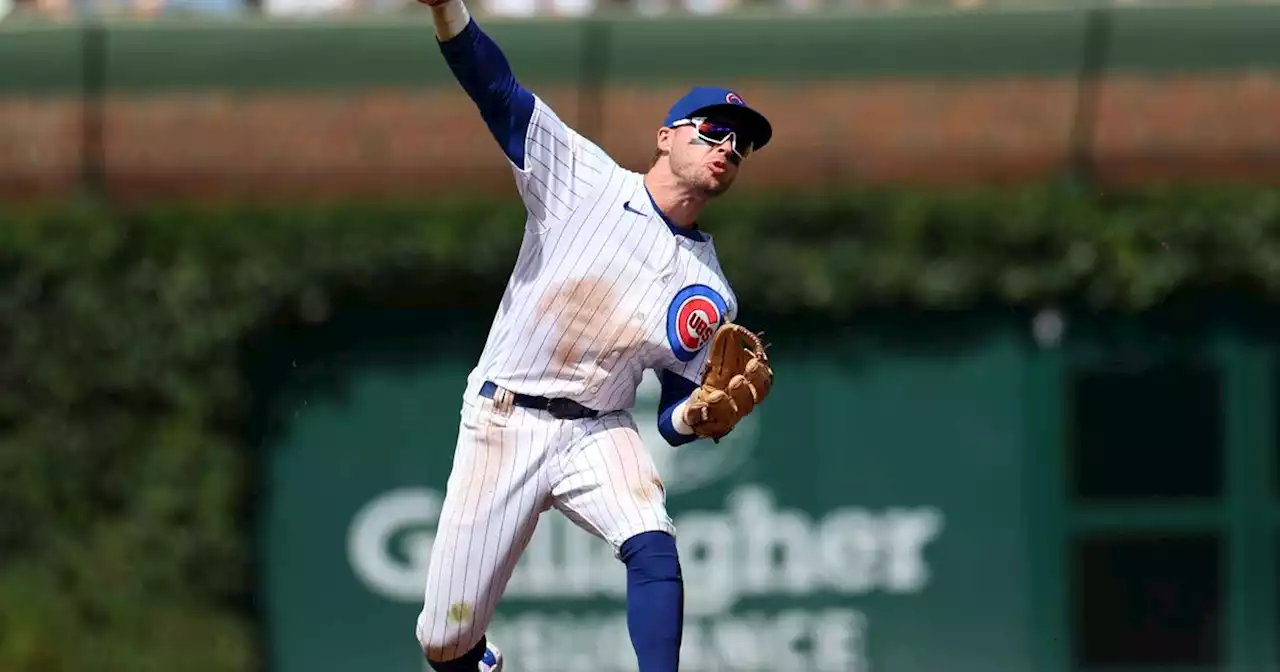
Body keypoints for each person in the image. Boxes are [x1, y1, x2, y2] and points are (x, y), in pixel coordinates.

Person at [412, 0, 773, 670]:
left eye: (741, 143)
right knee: (444, 641)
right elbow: (495, 88)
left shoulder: (709, 290)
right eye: (713, 130)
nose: (728, 147)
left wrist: (693, 414)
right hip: (503, 418)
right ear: (665, 137)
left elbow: (670, 414)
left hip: (597, 427)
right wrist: (446, 10)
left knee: (652, 538)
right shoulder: (583, 177)